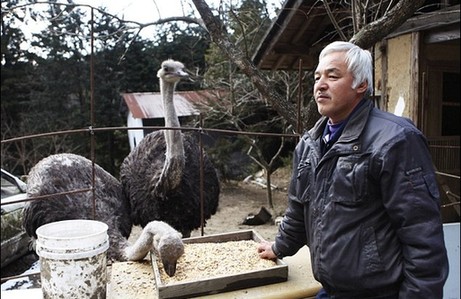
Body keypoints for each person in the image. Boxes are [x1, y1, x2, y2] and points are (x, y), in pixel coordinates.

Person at [257, 41, 449, 299]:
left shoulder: (395, 140)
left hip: (380, 293)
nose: (320, 84)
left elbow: (421, 234)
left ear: (361, 85)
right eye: (317, 77)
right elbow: (298, 209)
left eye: (332, 76)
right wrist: (278, 247)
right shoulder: (310, 143)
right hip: (332, 289)